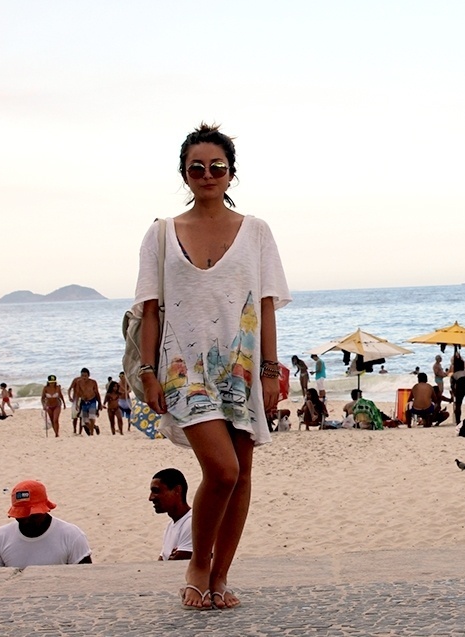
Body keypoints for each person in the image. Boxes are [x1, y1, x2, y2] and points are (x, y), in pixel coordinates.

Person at [134, 124, 291, 609]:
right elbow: (150, 309)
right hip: (184, 368)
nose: (207, 174)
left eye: (217, 167)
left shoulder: (257, 232)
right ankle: (198, 563)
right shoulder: (161, 234)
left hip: (241, 367)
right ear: (184, 173)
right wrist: (146, 370)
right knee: (221, 471)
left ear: (231, 173)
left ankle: (220, 576)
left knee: (242, 473)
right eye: (197, 167)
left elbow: (265, 307)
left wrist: (269, 371)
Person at [0, 480, 92, 567]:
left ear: (45, 510)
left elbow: (85, 581)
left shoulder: (72, 536)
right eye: (21, 516)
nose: (27, 520)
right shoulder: (0, 538)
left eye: (33, 515)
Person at [150, 468, 193, 561]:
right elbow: (161, 564)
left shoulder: (192, 524)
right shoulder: (171, 526)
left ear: (177, 490)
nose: (151, 498)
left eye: (156, 491)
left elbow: (174, 566)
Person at [69, 368, 102, 436]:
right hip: (84, 401)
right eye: (82, 375)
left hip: (92, 400)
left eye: (85, 376)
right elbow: (77, 393)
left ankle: (92, 433)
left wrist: (100, 403)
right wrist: (77, 404)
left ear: (88, 375)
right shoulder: (78, 382)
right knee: (85, 421)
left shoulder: (93, 382)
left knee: (92, 417)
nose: (84, 377)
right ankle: (95, 428)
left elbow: (97, 393)